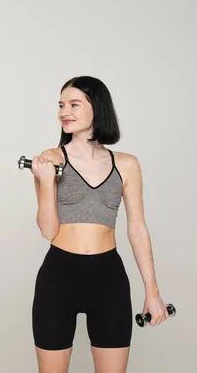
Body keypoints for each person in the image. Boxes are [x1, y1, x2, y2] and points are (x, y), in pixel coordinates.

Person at [29, 76, 169, 373]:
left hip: (108, 278)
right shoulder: (51, 159)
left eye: (74, 104)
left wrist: (152, 292)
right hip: (59, 276)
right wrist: (45, 183)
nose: (64, 111)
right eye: (61, 105)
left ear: (97, 108)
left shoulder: (127, 164)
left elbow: (137, 229)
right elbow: (48, 230)